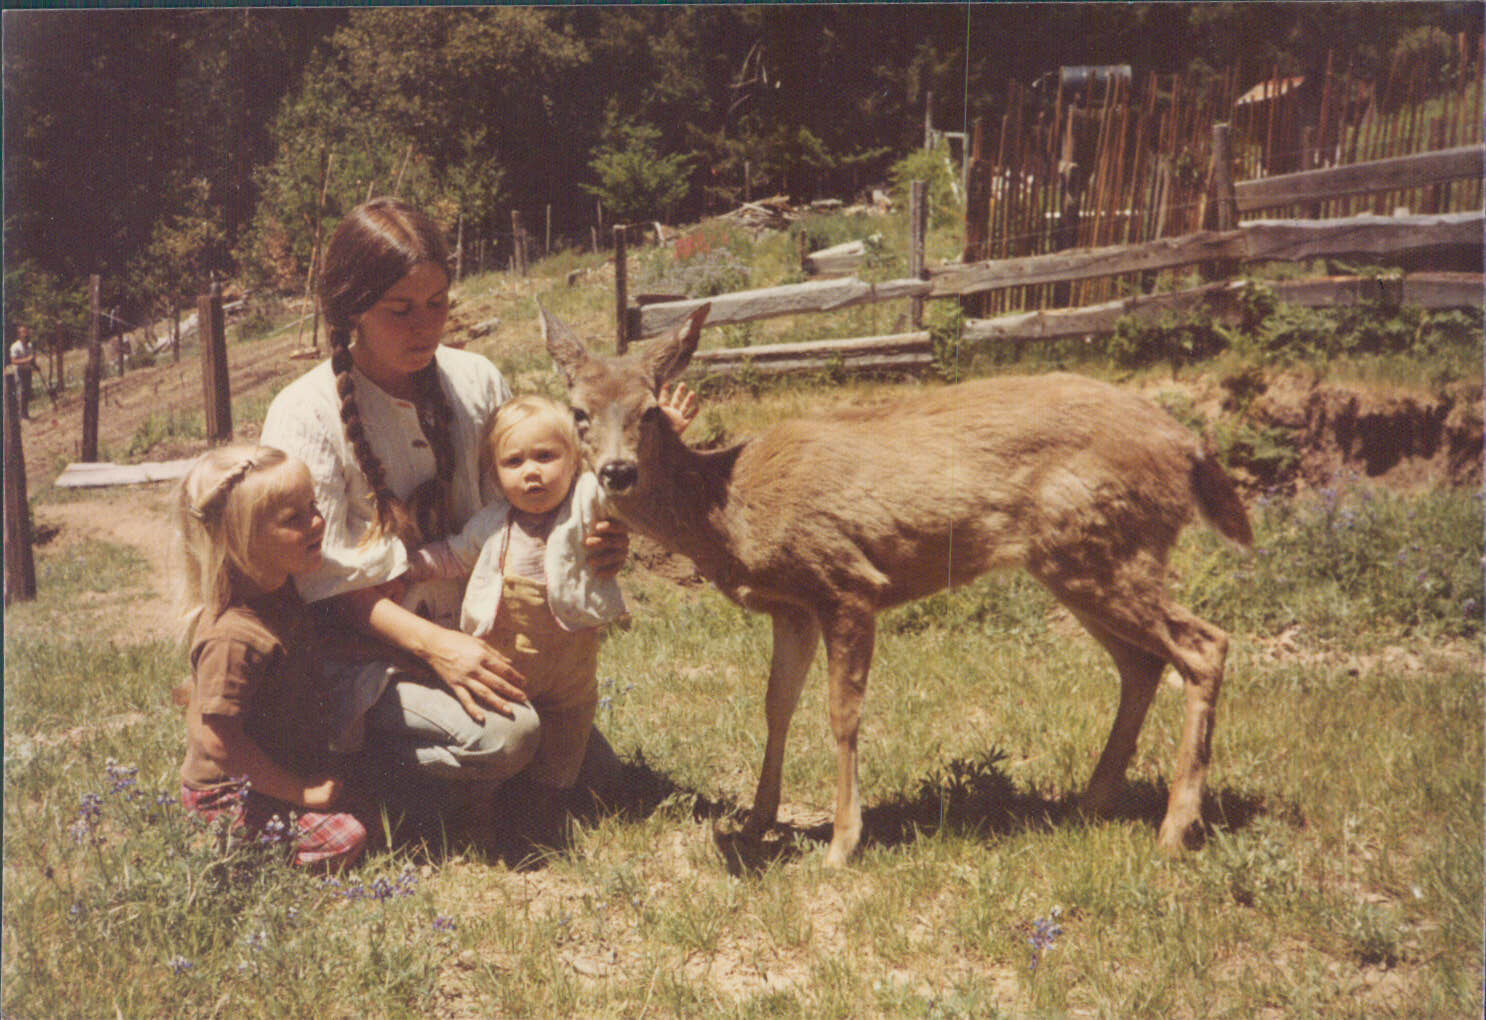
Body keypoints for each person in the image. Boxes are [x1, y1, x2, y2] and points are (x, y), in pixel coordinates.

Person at [259, 197, 692, 835]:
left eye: (438, 303)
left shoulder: (475, 379)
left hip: (482, 629)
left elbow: (532, 499)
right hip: (363, 650)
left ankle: (466, 774)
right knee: (509, 742)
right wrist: (440, 649)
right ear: (351, 308)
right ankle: (362, 777)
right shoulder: (305, 412)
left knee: (591, 775)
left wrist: (596, 540)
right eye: (400, 310)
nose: (425, 326)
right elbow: (322, 584)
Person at [406, 393, 694, 841]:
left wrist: (664, 437)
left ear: (574, 460)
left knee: (568, 733)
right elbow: (453, 556)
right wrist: (409, 566)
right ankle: (480, 808)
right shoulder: (492, 523)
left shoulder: (583, 503)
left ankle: (539, 807)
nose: (532, 471)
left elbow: (628, 487)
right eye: (514, 462)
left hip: (570, 668)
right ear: (496, 475)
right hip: (503, 662)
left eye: (545, 456)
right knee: (495, 726)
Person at [173, 444, 368, 871]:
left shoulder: (280, 592)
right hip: (229, 791)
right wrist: (301, 794)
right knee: (348, 835)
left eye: (313, 505)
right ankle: (229, 855)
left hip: (273, 767)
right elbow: (219, 742)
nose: (317, 521)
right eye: (292, 518)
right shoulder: (234, 637)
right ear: (241, 539)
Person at [9, 325, 35, 419]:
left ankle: (25, 413)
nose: (25, 334)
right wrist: (27, 360)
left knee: (27, 392)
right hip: (19, 372)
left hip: (28, 371)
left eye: (26, 332)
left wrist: (34, 365)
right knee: (21, 392)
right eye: (23, 332)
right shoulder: (15, 347)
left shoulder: (29, 345)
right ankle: (20, 416)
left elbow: (31, 358)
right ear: (19, 334)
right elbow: (13, 361)